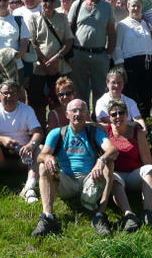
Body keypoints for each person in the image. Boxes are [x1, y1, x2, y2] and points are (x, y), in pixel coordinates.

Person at [31, 99, 118, 237]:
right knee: (43, 167)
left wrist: (101, 160)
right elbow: (41, 155)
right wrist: (47, 158)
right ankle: (48, 217)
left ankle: (100, 215)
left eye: (82, 110)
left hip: (90, 179)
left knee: (109, 163)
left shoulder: (94, 132)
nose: (78, 114)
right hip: (65, 181)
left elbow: (113, 150)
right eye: (74, 111)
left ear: (87, 113)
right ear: (67, 114)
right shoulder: (57, 133)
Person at [105, 99, 152, 230]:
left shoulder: (136, 131)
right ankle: (129, 215)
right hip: (117, 175)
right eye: (114, 114)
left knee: (150, 169)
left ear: (127, 114)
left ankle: (147, 212)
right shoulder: (106, 132)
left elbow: (147, 159)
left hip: (134, 173)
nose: (118, 116)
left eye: (121, 112)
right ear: (109, 117)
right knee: (114, 178)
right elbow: (89, 123)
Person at [67, 0, 116, 109]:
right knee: (79, 93)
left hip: (100, 56)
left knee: (101, 93)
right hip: (78, 55)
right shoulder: (77, 4)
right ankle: (83, 123)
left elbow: (111, 32)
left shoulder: (107, 7)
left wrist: (109, 54)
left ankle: (99, 124)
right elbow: (69, 29)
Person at [27, 0, 74, 126]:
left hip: (60, 69)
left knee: (60, 102)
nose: (48, 3)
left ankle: (60, 131)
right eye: (45, 0)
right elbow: (32, 43)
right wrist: (45, 62)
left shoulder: (62, 18)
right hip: (39, 69)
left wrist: (56, 59)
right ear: (39, 1)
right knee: (38, 104)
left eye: (52, 0)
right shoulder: (33, 18)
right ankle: (40, 132)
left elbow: (69, 40)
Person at [113, 0, 152, 117]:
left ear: (142, 7)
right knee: (131, 97)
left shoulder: (145, 24)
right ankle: (131, 128)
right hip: (131, 64)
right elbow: (117, 47)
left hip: (148, 63)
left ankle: (146, 127)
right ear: (127, 7)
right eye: (133, 6)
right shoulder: (122, 25)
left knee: (147, 97)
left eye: (138, 6)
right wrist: (120, 66)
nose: (135, 8)